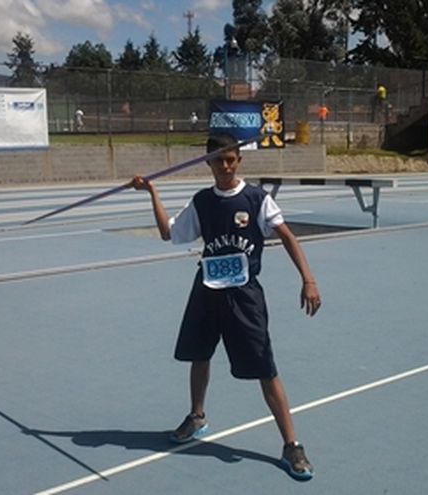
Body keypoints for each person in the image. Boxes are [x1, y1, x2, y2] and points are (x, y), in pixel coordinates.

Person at [131, 133, 321, 481]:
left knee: (265, 368)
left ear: (239, 160)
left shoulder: (256, 199)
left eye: (231, 159)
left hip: (244, 297)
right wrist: (152, 192)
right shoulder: (202, 201)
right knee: (198, 354)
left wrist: (308, 279)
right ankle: (197, 416)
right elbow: (168, 233)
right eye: (219, 160)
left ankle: (291, 445)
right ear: (208, 162)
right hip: (206, 290)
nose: (226, 166)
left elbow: (288, 237)